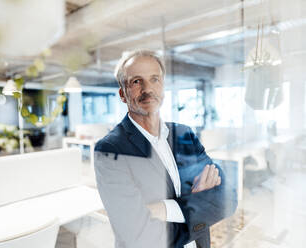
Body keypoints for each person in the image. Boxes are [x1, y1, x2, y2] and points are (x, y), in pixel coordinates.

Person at [94, 50, 237, 248]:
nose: (147, 88)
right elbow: (137, 232)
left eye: (154, 79)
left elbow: (228, 198)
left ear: (162, 87)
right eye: (136, 81)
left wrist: (164, 208)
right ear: (122, 94)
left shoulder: (184, 133)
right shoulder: (110, 149)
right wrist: (198, 204)